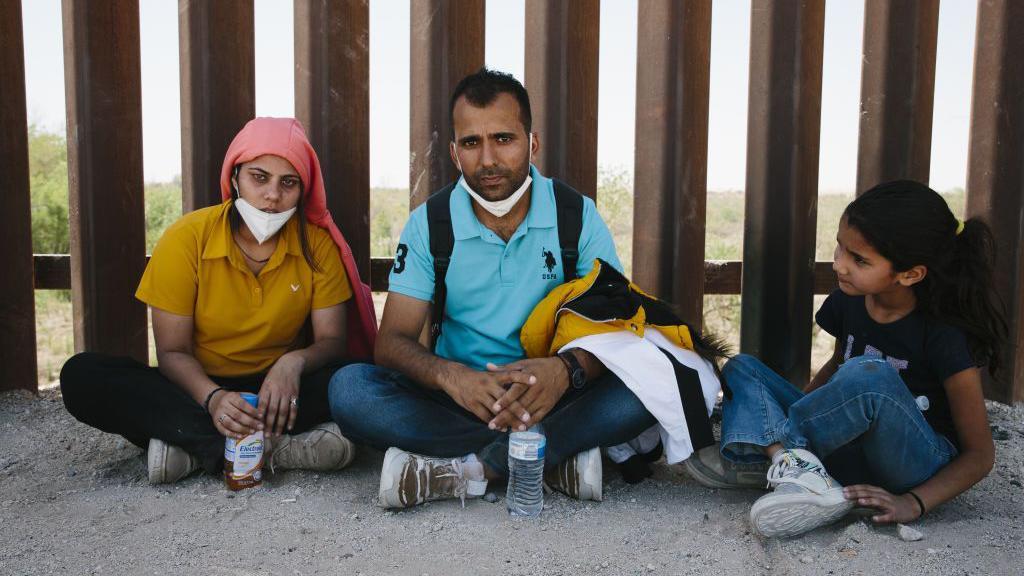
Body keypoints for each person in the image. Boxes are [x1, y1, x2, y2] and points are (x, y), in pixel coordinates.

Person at [329, 68, 656, 508]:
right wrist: (453, 377)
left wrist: (564, 373)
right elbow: (392, 343)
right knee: (350, 391)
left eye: (503, 138)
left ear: (532, 143)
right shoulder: (431, 223)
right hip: (461, 397)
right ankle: (549, 456)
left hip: (553, 394)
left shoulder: (575, 216)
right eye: (471, 142)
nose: (487, 159)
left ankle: (472, 469)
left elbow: (614, 330)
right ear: (454, 150)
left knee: (646, 386)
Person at [60, 117, 377, 484]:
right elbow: (173, 352)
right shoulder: (186, 239)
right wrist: (213, 399)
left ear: (302, 190)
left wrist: (292, 363)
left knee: (354, 380)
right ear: (234, 178)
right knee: (82, 376)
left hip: (276, 393)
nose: (272, 195)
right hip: (197, 387)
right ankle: (269, 449)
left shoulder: (316, 246)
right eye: (259, 177)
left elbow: (332, 342)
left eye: (288, 182)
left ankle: (191, 447)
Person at [687, 180, 1005, 537]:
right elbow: (836, 367)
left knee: (868, 376)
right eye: (840, 248)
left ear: (910, 274)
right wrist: (801, 406)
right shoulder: (849, 300)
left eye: (859, 260)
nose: (839, 265)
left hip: (913, 462)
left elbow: (979, 455)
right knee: (742, 367)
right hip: (849, 450)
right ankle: (796, 468)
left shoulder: (943, 333)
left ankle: (778, 459)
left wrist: (914, 501)